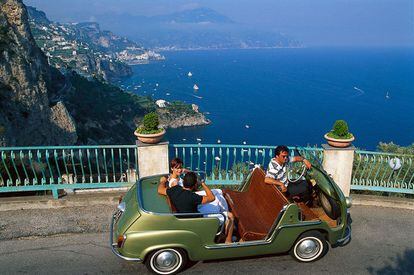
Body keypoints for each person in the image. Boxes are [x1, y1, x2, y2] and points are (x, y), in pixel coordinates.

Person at [158, 171, 235, 243]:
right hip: (199, 219)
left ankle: (223, 229)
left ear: (184, 182)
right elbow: (212, 198)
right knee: (230, 216)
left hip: (189, 212)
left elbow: (160, 190)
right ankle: (228, 241)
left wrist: (162, 181)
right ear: (195, 185)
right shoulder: (193, 197)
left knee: (218, 197)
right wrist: (202, 184)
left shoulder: (174, 190)